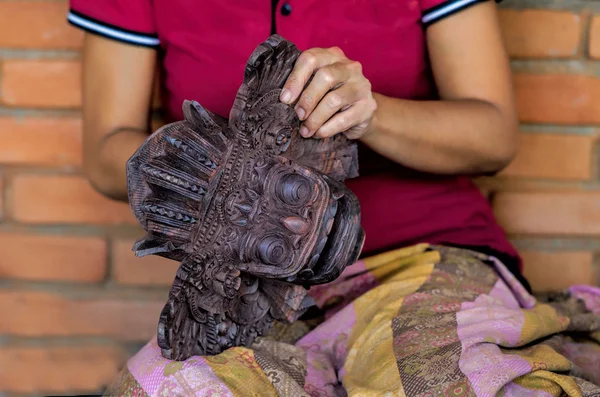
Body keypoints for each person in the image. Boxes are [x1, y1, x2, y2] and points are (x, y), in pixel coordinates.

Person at [68, 0, 600, 396]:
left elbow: (494, 135)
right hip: (246, 284)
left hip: (424, 254)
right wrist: (203, 170)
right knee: (166, 388)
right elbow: (105, 150)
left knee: (454, 381)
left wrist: (373, 114)